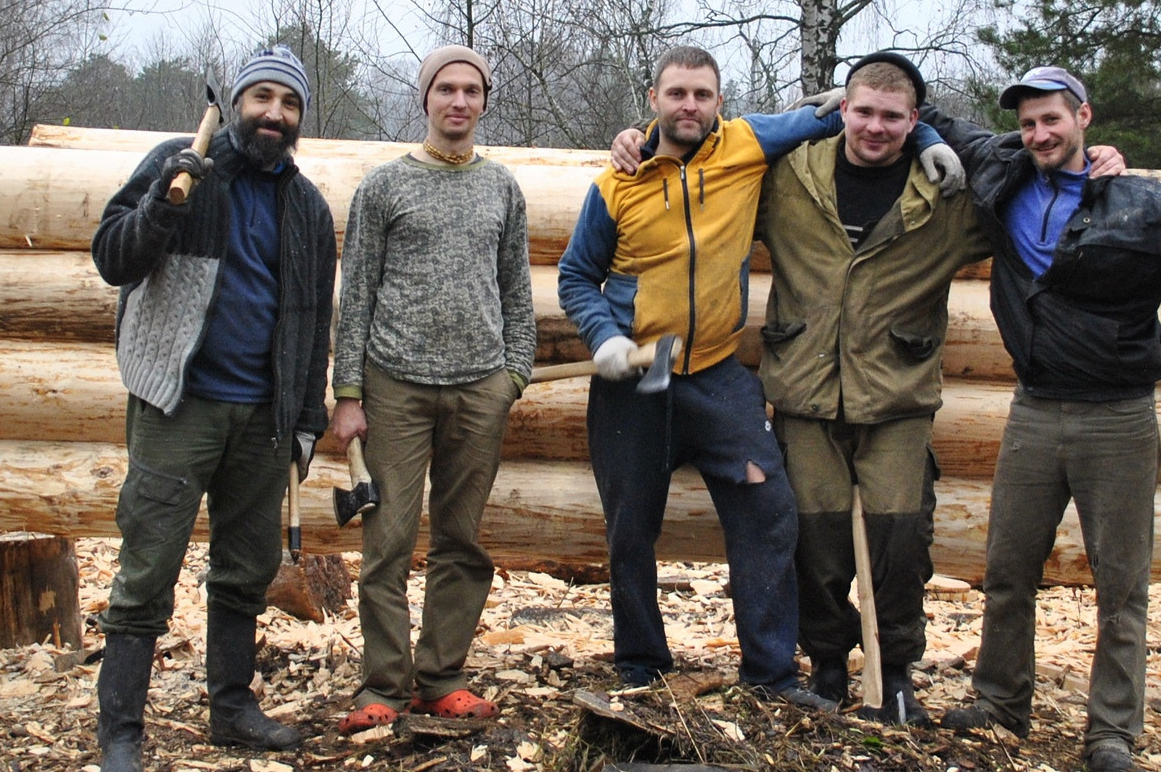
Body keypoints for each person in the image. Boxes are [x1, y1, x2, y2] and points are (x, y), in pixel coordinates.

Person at [556, 45, 963, 708]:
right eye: (677, 94)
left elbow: (850, 114)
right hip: (634, 382)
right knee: (630, 527)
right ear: (654, 99)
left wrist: (934, 141)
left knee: (769, 509)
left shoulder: (748, 143)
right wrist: (603, 336)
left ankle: (771, 675)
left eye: (703, 95)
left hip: (716, 374)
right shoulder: (615, 184)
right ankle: (641, 666)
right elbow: (577, 274)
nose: (690, 106)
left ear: (720, 101)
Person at [746, 54, 1125, 725]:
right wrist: (639, 140)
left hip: (897, 397)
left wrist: (1099, 165)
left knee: (900, 546)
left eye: (893, 117)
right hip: (804, 390)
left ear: (914, 121)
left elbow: (1032, 160)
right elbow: (710, 156)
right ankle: (830, 664)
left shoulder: (945, 194)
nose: (875, 127)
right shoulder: (788, 180)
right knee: (816, 542)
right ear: (843, 111)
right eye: (862, 111)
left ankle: (895, 674)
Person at [932, 66, 1161, 772]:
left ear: (1083, 117)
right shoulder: (1005, 174)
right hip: (1034, 409)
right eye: (1028, 123)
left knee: (1120, 587)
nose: (1039, 134)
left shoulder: (1139, 204)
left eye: (1051, 120)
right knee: (1007, 571)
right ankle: (1002, 702)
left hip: (1118, 418)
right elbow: (943, 124)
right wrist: (857, 98)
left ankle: (1111, 732)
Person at [87, 45, 336, 766]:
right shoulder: (182, 163)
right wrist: (166, 204)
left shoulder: (306, 207)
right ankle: (122, 734)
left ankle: (231, 708)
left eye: (289, 104)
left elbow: (312, 318)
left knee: (247, 566)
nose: (275, 114)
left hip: (265, 415)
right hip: (178, 401)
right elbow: (112, 258)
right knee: (149, 564)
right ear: (235, 104)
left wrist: (306, 421)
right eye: (262, 98)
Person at [326, 46, 536, 733]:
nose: (459, 102)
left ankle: (441, 677)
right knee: (386, 543)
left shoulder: (501, 187)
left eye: (471, 90)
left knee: (460, 540)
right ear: (426, 99)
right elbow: (355, 292)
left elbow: (516, 292)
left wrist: (513, 377)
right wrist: (349, 392)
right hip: (395, 388)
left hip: (480, 389)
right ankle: (382, 685)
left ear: (483, 101)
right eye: (446, 89)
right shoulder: (384, 187)